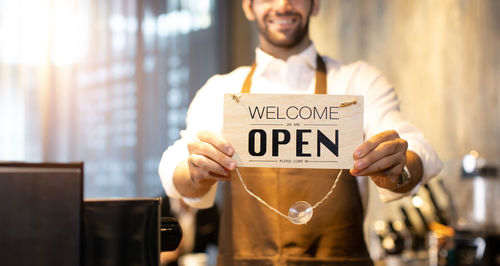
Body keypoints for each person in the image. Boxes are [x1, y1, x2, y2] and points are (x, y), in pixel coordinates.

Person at [159, 0, 442, 265]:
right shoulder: (220, 91)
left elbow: (417, 149)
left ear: (315, 4)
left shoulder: (358, 81)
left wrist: (400, 168)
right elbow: (175, 167)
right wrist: (195, 172)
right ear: (248, 6)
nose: (283, 5)